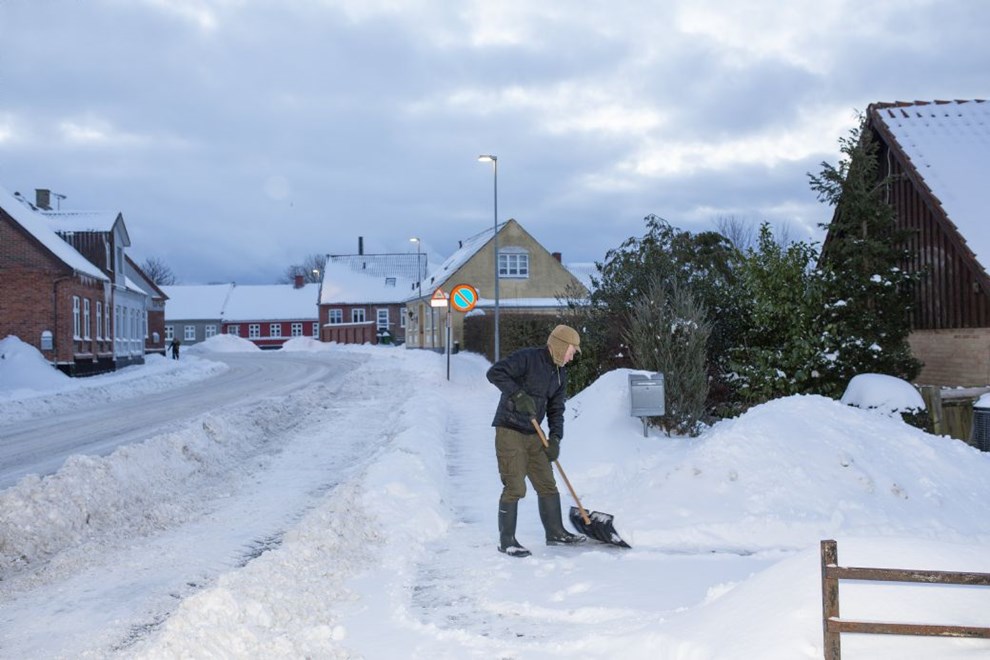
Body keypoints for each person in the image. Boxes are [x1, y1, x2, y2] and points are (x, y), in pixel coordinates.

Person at [486, 324, 586, 557]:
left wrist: (555, 438)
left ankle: (555, 533)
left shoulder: (560, 373)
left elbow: (556, 409)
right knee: (515, 486)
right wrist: (518, 395)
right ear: (561, 346)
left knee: (547, 484)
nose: (573, 357)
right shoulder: (528, 358)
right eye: (572, 350)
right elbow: (495, 373)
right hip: (509, 429)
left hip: (534, 433)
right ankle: (507, 540)